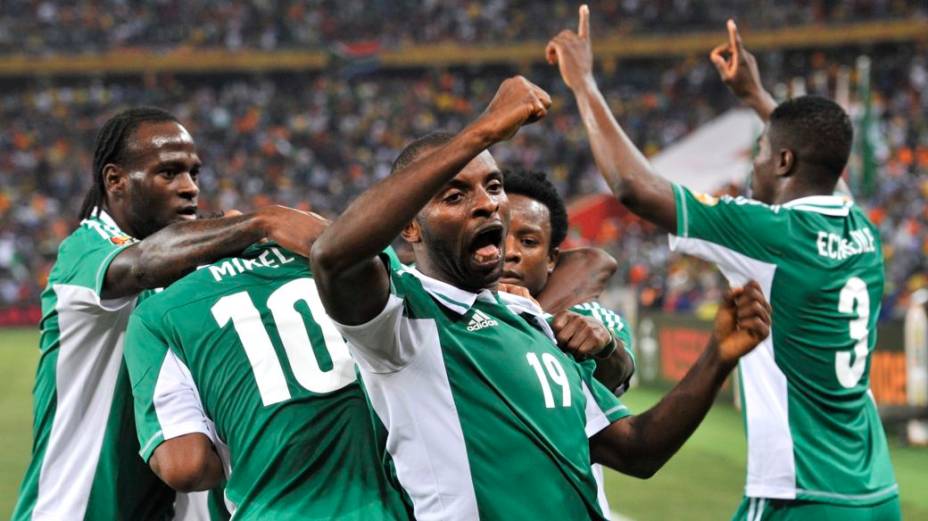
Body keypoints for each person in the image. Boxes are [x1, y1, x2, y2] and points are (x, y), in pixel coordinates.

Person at [310, 75, 771, 520]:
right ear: (410, 227)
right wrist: (484, 128)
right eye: (454, 195)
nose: (488, 203)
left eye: (493, 186)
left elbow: (637, 449)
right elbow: (333, 255)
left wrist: (718, 356)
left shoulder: (532, 320)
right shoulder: (401, 320)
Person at [547, 6, 899, 519]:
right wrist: (757, 98)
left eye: (760, 151)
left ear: (783, 162)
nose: (751, 164)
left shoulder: (772, 233)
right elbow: (827, 167)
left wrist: (583, 83)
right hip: (876, 490)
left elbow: (634, 188)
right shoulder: (860, 228)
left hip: (801, 493)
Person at [13, 107, 309, 521]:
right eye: (169, 173)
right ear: (115, 180)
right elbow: (144, 264)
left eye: (194, 173)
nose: (189, 188)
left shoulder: (192, 264)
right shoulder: (83, 252)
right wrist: (261, 223)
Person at [122, 232, 413, 520]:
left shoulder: (159, 311)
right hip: (389, 502)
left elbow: (185, 467)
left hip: (272, 508)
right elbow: (368, 241)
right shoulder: (326, 258)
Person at [500, 167, 636, 519]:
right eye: (496, 237)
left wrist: (604, 346)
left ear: (551, 260)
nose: (510, 252)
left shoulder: (585, 315)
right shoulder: (443, 312)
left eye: (528, 242)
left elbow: (617, 373)